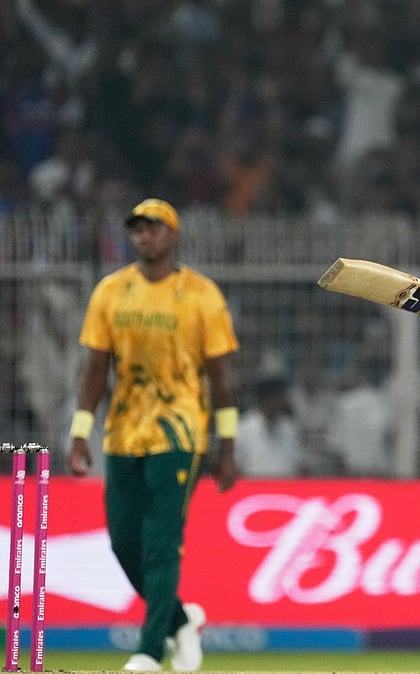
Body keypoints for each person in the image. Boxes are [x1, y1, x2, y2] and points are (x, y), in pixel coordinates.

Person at [68, 198, 240, 672]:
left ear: (173, 235)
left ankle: (148, 650)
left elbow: (222, 380)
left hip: (180, 431)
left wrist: (227, 449)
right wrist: (80, 430)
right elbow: (96, 370)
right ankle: (181, 621)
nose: (144, 236)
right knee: (124, 542)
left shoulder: (202, 295)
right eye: (137, 229)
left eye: (153, 228)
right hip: (123, 431)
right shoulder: (111, 291)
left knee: (162, 543)